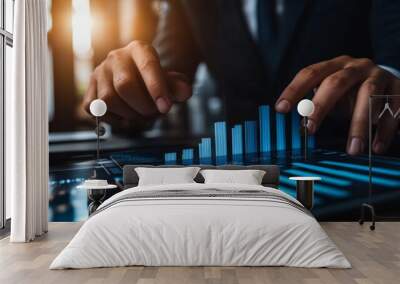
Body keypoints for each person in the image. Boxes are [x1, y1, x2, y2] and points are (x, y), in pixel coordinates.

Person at [83, 0, 400, 155]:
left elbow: (392, 60)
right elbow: (161, 82)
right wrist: (126, 88)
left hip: (359, 164)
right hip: (244, 177)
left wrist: (391, 78)